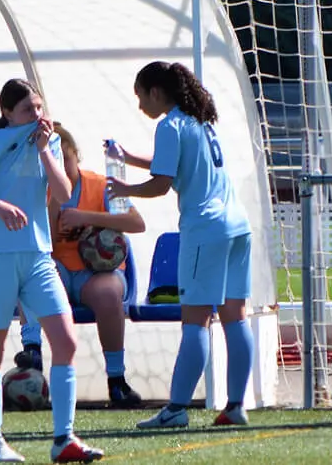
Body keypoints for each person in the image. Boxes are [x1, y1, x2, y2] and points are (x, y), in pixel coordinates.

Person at [0, 79, 104, 463]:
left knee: (66, 342)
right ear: (7, 113)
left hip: (38, 257)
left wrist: (45, 152)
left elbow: (65, 192)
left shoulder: (48, 142)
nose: (37, 115)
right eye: (27, 110)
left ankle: (64, 439)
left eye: (39, 107)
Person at [108, 61, 254, 429]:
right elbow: (169, 167)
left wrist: (126, 190)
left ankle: (175, 409)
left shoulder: (169, 125)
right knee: (235, 319)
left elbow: (161, 183)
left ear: (157, 92)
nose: (140, 105)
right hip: (237, 226)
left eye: (141, 96)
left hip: (205, 230)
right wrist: (128, 157)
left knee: (196, 323)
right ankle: (236, 405)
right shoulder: (200, 121)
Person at [49, 123, 144, 407]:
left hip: (96, 271)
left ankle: (117, 379)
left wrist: (87, 217)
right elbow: (41, 241)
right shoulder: (40, 191)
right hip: (57, 269)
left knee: (108, 294)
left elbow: (136, 223)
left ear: (76, 155)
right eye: (53, 162)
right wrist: (54, 203)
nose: (61, 168)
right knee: (31, 281)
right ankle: (31, 366)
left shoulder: (101, 185)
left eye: (65, 159)